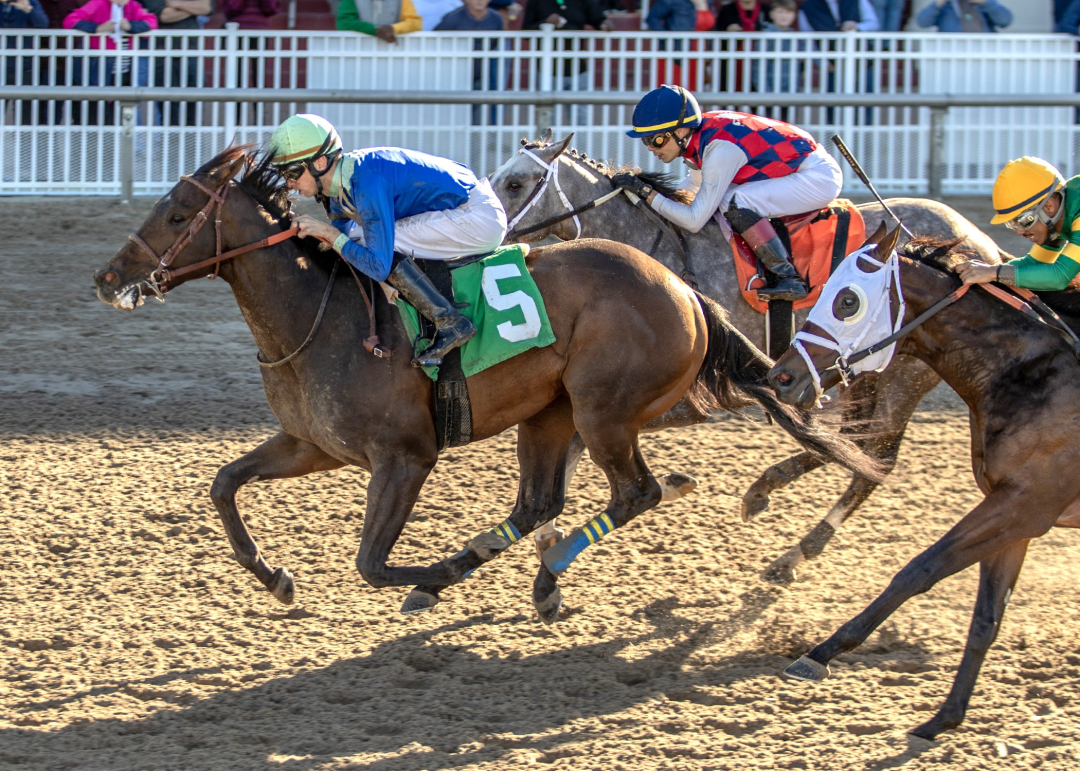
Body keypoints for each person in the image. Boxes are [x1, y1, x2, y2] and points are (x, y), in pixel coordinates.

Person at [268, 114, 508, 366]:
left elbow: (378, 265)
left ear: (319, 163)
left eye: (292, 172)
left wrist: (329, 234)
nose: (289, 183)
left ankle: (450, 321)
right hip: (459, 207)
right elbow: (342, 245)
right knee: (355, 239)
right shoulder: (336, 187)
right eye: (283, 174)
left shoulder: (366, 182)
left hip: (478, 217)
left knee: (372, 247)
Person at [613, 85, 844, 301]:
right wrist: (644, 194)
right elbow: (689, 190)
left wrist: (648, 193)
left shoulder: (719, 149)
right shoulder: (699, 136)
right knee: (727, 198)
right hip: (800, 169)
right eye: (646, 142)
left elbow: (694, 220)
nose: (652, 149)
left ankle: (788, 277)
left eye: (657, 139)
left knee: (735, 200)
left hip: (817, 178)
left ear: (680, 130)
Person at [958, 157, 1080, 291]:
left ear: (1048, 206)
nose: (1019, 232)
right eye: (1012, 224)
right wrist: (984, 271)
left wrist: (993, 273)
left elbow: (1058, 277)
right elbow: (1034, 263)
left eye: (1023, 221)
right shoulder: (1060, 212)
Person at [141, 0, 211, 126]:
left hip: (192, 52)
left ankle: (193, 144)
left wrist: (176, 5)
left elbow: (205, 8)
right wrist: (191, 9)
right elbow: (164, 16)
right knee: (169, 108)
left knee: (195, 104)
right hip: (164, 54)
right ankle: (170, 145)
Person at [336, 0, 421, 43]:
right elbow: (344, 22)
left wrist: (393, 29)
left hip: (392, 53)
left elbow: (416, 23)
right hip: (357, 52)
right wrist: (376, 30)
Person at [915, 0, 1011, 33]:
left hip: (983, 51)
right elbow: (922, 22)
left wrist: (985, 2)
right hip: (952, 53)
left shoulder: (984, 4)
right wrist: (938, 3)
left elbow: (1005, 20)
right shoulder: (946, 6)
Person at [798, 0, 878, 31]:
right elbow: (807, 37)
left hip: (859, 57)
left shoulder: (857, 1)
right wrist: (823, 63)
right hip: (828, 59)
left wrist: (857, 27)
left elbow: (873, 24)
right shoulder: (808, 7)